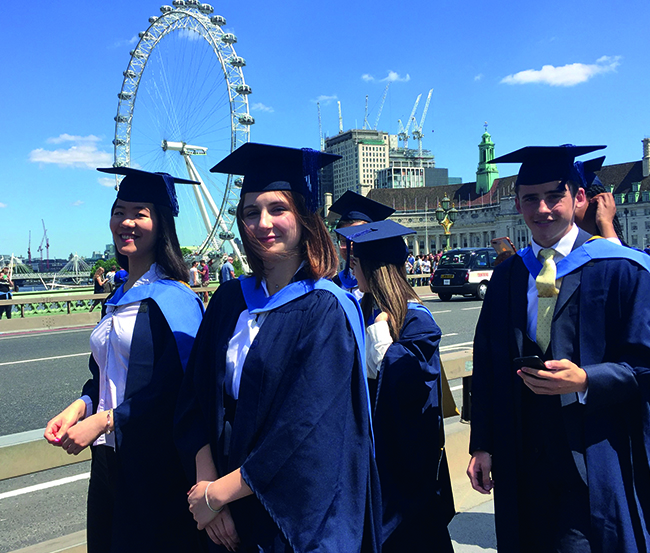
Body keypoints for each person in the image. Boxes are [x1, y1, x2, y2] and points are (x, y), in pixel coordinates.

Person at [175, 143, 381, 553]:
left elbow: (304, 429)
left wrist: (220, 495)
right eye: (251, 212)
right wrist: (206, 488)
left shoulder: (325, 307)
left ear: (304, 217)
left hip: (288, 520)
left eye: (277, 209)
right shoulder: (230, 300)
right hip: (220, 513)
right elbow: (195, 397)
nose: (263, 222)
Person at [466, 145, 650, 552]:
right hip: (521, 460)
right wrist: (481, 444)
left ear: (579, 198)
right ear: (517, 204)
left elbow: (648, 365)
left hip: (594, 461)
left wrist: (588, 379)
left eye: (555, 196)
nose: (543, 209)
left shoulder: (621, 269)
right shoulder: (508, 278)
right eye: (531, 198)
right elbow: (486, 366)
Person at [44, 166, 205, 553]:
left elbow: (177, 392)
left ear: (161, 224)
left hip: (153, 464)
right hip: (107, 459)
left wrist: (104, 420)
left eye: (139, 213)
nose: (126, 222)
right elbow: (103, 375)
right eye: (119, 211)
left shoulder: (175, 299)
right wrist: (80, 407)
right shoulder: (117, 298)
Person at [338, 218, 455, 552]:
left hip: (405, 464)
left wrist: (380, 338)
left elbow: (410, 385)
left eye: (356, 263)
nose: (352, 271)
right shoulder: (357, 310)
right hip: (366, 459)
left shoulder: (417, 320)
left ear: (372, 269)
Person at [328, 190, 395, 298]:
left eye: (357, 238)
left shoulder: (388, 286)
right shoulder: (333, 285)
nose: (350, 246)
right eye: (344, 240)